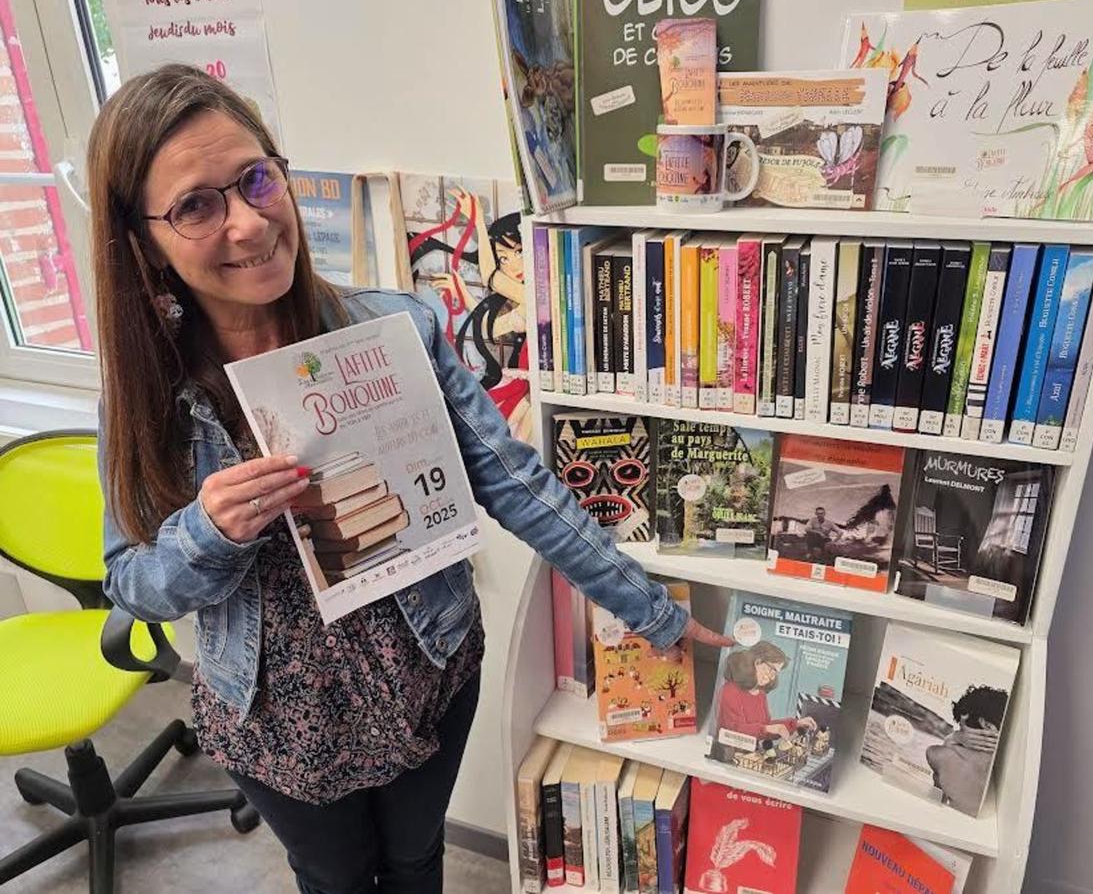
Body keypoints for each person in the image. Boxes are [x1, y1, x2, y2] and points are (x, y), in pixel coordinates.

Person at [91, 64, 731, 894]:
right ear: (144, 240)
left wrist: (647, 606)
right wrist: (207, 534)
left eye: (256, 179)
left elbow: (512, 482)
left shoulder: (396, 329)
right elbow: (133, 586)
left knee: (416, 862)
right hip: (280, 722)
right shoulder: (147, 398)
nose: (249, 225)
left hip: (428, 671)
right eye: (197, 205)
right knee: (337, 880)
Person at [714, 641, 818, 744]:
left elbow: (766, 726)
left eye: (775, 673)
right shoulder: (730, 691)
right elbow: (734, 730)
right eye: (771, 669)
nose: (771, 677)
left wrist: (796, 724)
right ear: (757, 662)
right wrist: (767, 729)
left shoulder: (760, 694)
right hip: (726, 751)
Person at [925, 684, 1007, 815]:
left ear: (987, 725)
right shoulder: (1009, 763)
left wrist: (953, 738)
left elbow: (934, 805)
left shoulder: (941, 757)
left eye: (961, 728)